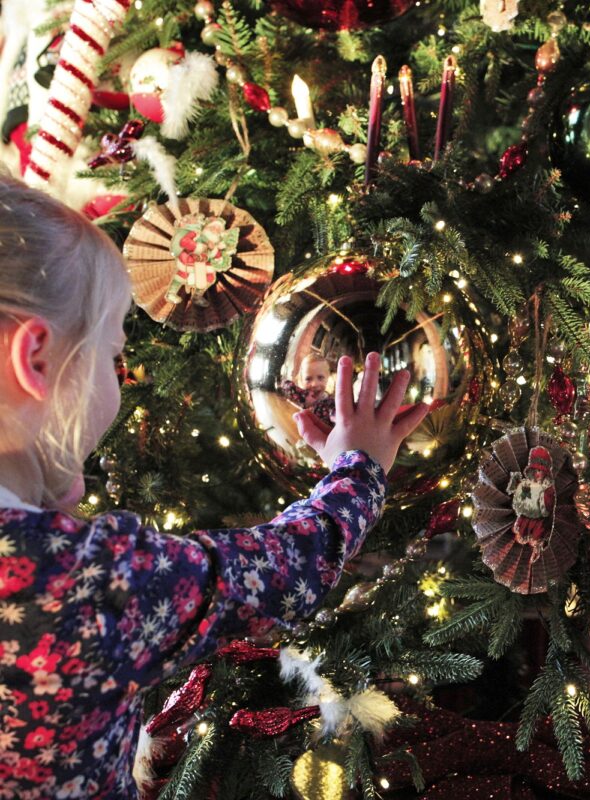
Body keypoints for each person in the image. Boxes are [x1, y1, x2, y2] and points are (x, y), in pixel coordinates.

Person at [0, 176, 429, 799]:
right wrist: (357, 465)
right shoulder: (84, 580)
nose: (117, 379)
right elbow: (282, 571)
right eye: (112, 356)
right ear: (37, 360)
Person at [280, 352, 336, 426]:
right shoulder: (301, 397)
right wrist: (305, 397)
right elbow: (285, 384)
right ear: (302, 380)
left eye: (320, 377)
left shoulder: (331, 403)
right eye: (308, 379)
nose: (314, 384)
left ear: (327, 378)